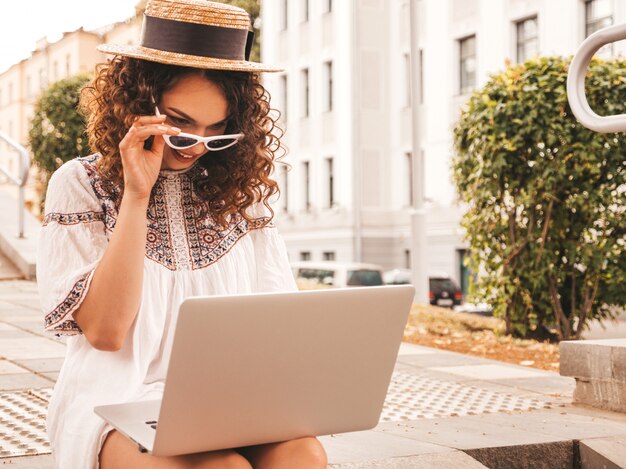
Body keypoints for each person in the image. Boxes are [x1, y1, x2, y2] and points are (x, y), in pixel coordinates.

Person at [37, 1, 328, 468]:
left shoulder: (242, 193)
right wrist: (136, 194)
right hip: (116, 402)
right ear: (139, 103)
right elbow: (107, 333)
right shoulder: (79, 184)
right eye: (180, 123)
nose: (195, 146)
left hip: (224, 398)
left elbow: (275, 323)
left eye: (217, 131)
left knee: (305, 455)